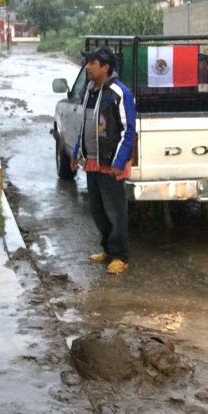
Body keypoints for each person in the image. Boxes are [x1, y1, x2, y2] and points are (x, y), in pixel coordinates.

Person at [70, 46, 136, 275]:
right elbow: (85, 124)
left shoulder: (120, 93)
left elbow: (129, 131)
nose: (88, 67)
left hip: (111, 163)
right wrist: (77, 152)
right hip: (92, 161)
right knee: (98, 209)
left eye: (92, 63)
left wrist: (119, 162)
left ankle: (120, 256)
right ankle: (108, 250)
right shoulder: (90, 90)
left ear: (105, 67)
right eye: (88, 63)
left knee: (115, 211)